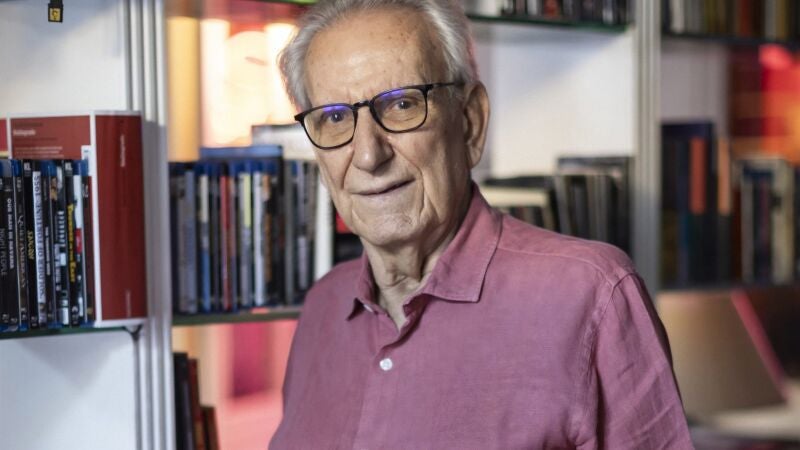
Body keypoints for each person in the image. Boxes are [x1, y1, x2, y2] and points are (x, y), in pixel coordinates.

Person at [270, 0, 693, 448]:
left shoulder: (591, 295)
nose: (369, 155)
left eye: (402, 105)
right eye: (335, 117)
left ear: (470, 123)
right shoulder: (322, 307)